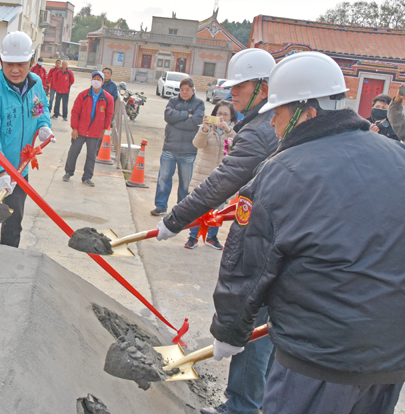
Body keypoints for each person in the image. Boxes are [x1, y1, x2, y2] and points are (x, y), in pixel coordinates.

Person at [210, 51, 405, 414]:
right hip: (391, 360)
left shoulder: (282, 172)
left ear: (307, 111)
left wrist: (229, 333)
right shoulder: (398, 156)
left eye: (278, 114)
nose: (272, 125)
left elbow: (247, 266)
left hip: (319, 359)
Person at [154, 48, 279, 414]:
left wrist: (172, 221)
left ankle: (240, 406)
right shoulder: (265, 123)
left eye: (240, 87)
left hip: (269, 244)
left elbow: (221, 181)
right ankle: (259, 403)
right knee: (268, 332)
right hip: (279, 238)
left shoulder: (260, 130)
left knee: (253, 325)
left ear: (263, 87)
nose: (231, 94)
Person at [0, 31, 52, 247]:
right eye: (9, 64)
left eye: (21, 63)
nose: (15, 70)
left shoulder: (35, 85)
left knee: (14, 223)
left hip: (20, 168)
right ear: (1, 61)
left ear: (31, 61)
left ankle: (6, 269)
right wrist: (1, 170)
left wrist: (44, 124)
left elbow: (40, 108)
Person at [184, 101, 237, 250]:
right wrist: (204, 130)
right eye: (219, 113)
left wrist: (228, 130)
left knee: (218, 209)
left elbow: (237, 147)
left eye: (225, 114)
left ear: (231, 116)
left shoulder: (232, 131)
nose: (222, 117)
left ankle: (212, 237)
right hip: (204, 174)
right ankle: (193, 237)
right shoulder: (207, 128)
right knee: (198, 206)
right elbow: (197, 144)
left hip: (223, 176)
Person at [150, 77, 204, 216]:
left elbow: (195, 122)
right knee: (164, 178)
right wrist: (187, 115)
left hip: (188, 151)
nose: (184, 92)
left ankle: (181, 209)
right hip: (169, 147)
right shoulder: (173, 101)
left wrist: (176, 121)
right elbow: (168, 116)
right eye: (182, 90)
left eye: (187, 90)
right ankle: (161, 206)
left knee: (185, 182)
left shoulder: (199, 104)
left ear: (193, 90)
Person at [62, 71, 114, 186]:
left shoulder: (108, 98)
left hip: (96, 132)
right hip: (80, 130)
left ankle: (87, 177)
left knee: (91, 155)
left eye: (99, 80)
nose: (96, 81)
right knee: (73, 152)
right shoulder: (83, 95)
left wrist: (104, 129)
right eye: (94, 79)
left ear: (102, 82)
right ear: (91, 81)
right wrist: (74, 128)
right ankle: (68, 173)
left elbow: (109, 115)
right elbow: (75, 112)